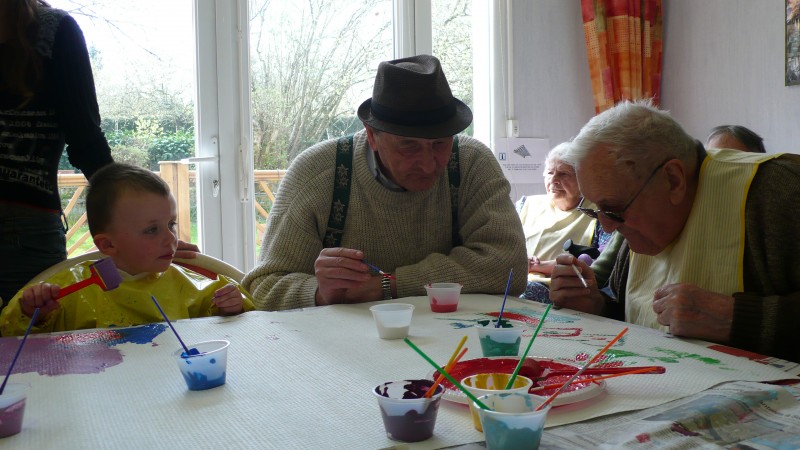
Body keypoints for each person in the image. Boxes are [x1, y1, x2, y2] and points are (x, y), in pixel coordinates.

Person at [242, 54, 528, 311]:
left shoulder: (471, 162)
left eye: (440, 144)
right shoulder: (318, 172)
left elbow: (509, 266)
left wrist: (389, 284)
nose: (429, 165)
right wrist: (319, 293)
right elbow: (264, 287)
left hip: (453, 340)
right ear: (372, 135)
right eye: (409, 146)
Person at [548, 100, 800, 362]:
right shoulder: (631, 216)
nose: (607, 226)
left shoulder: (780, 191)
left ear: (673, 180)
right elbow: (637, 318)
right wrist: (595, 306)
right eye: (596, 210)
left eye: (613, 209)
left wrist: (735, 318)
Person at [0, 1, 200, 310]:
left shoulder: (52, 30)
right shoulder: (54, 29)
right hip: (27, 224)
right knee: (35, 332)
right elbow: (86, 140)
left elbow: (86, 141)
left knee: (39, 323)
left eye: (169, 226)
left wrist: (146, 232)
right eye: (155, 228)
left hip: (26, 228)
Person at [0, 163, 255, 336]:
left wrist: (231, 306)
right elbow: (12, 336)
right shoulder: (67, 290)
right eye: (152, 230)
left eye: (171, 224)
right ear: (108, 245)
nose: (171, 238)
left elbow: (243, 321)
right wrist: (32, 312)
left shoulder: (185, 284)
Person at [516, 142, 612, 302]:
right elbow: (502, 245)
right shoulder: (525, 205)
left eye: (563, 174)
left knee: (527, 293)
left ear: (582, 179)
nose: (554, 180)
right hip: (514, 282)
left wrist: (537, 266)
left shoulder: (598, 213)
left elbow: (600, 263)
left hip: (561, 291)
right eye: (549, 173)